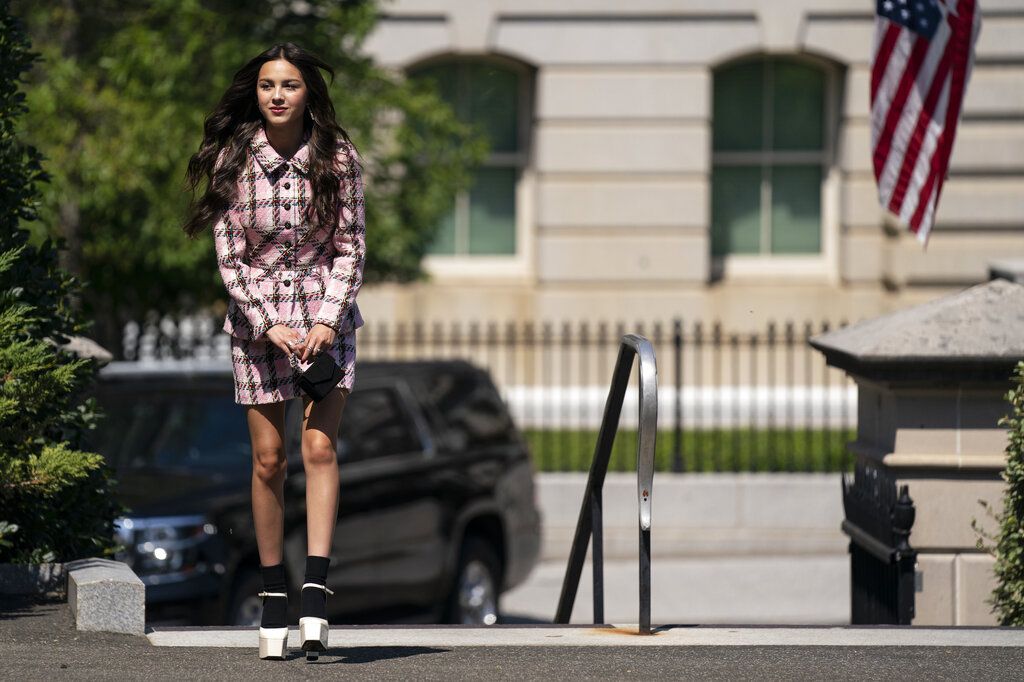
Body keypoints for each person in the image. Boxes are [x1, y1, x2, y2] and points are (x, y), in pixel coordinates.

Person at [182, 42, 366, 661]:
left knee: (318, 446)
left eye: (288, 85)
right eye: (266, 86)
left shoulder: (338, 157)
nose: (277, 95)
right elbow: (229, 256)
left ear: (307, 92)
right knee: (268, 460)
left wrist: (324, 320)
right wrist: (267, 325)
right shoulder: (234, 158)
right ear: (255, 92)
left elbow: (351, 248)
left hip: (325, 322)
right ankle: (273, 593)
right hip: (257, 326)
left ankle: (315, 590)